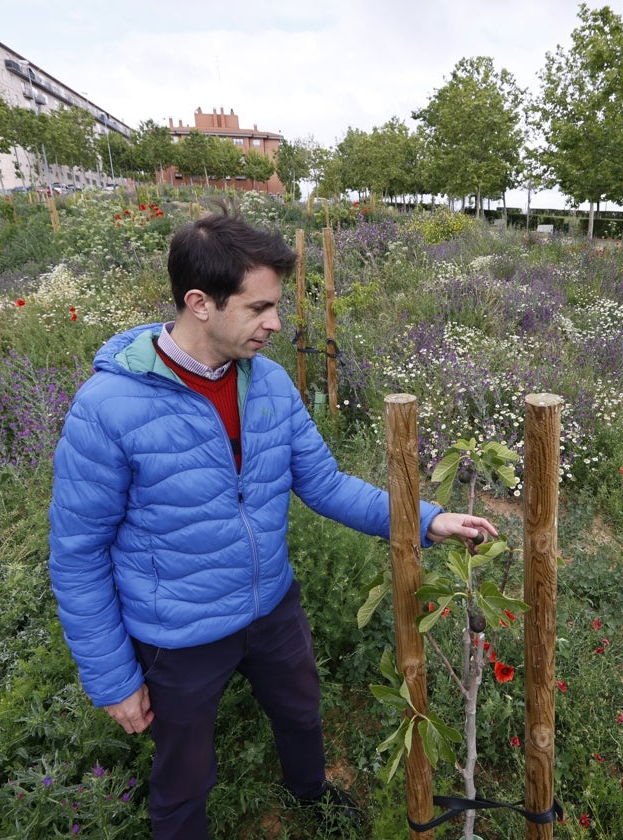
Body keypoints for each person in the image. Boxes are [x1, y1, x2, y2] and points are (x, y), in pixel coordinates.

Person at [48, 207, 498, 839]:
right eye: (259, 308)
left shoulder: (271, 384)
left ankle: (309, 794)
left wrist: (429, 520)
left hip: (270, 604)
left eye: (276, 306)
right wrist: (113, 677)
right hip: (178, 631)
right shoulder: (107, 408)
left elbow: (326, 485)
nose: (276, 324)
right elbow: (77, 555)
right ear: (200, 302)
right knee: (185, 773)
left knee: (300, 712)